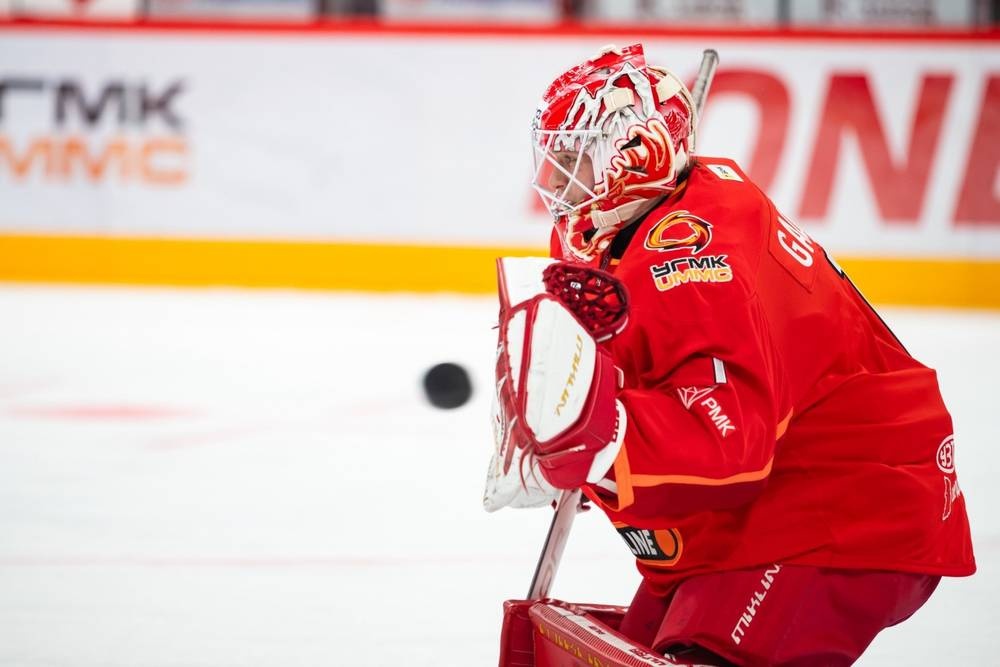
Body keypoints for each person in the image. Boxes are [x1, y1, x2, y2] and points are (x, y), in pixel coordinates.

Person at [485, 44, 975, 666]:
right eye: (555, 159)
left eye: (574, 159)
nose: (556, 182)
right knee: (646, 645)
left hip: (846, 503)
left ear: (637, 154)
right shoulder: (635, 221)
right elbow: (670, 357)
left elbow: (728, 445)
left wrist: (602, 440)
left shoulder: (693, 262)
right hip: (772, 496)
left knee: (708, 653)